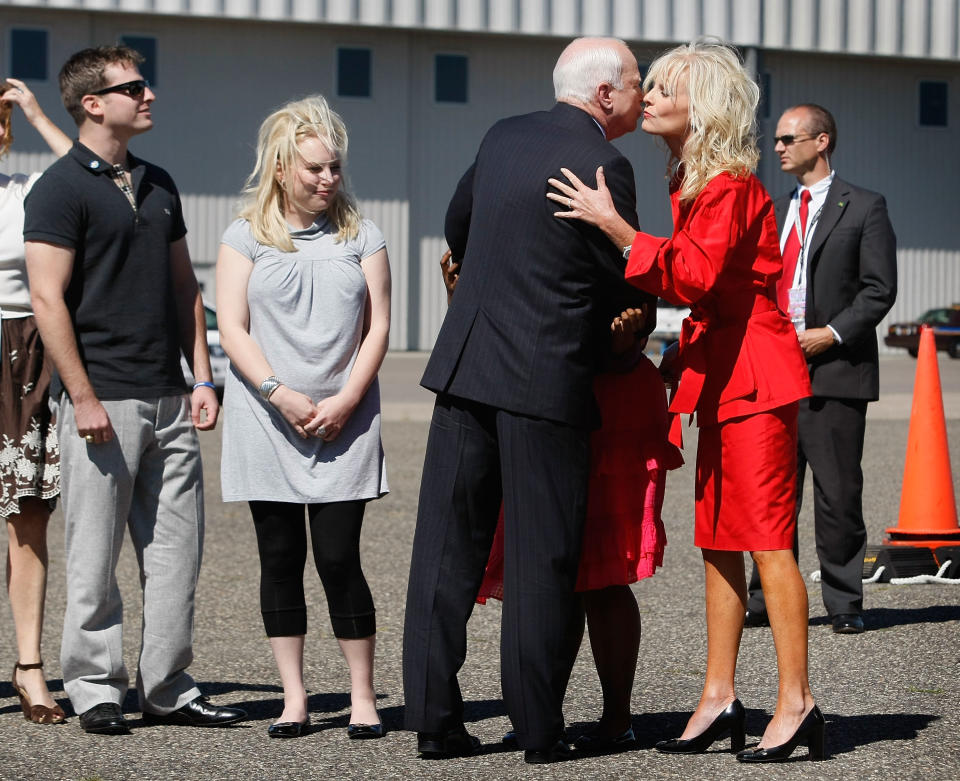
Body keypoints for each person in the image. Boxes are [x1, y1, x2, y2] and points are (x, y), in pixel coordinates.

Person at [548, 40, 823, 763]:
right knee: (718, 540)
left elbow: (695, 275)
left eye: (666, 88)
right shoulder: (696, 180)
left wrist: (613, 225)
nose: (652, 97)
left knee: (767, 541)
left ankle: (797, 701)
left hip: (756, 380)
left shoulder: (730, 184)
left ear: (700, 106)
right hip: (725, 375)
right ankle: (719, 694)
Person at [402, 37, 651, 765]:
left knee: (445, 554)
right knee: (544, 559)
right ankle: (540, 730)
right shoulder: (607, 164)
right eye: (636, 83)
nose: (640, 94)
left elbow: (459, 225)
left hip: (466, 366)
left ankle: (433, 721)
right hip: (545, 377)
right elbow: (622, 275)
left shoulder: (502, 134)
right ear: (605, 94)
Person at [23, 45, 246, 735]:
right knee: (93, 555)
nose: (148, 96)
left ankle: (168, 685)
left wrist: (202, 377)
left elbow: (187, 288)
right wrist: (82, 396)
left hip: (171, 398)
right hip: (103, 401)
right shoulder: (59, 189)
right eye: (134, 87)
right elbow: (46, 298)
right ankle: (94, 688)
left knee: (177, 553)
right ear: (93, 103)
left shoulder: (159, 183)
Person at [216, 95, 390, 740]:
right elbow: (231, 326)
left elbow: (379, 329)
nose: (327, 180)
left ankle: (363, 697)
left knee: (340, 558)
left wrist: (346, 399)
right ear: (282, 168)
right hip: (268, 418)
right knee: (280, 557)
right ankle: (294, 698)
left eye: (334, 168)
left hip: (345, 421)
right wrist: (277, 391)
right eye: (314, 168)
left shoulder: (362, 236)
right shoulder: (244, 236)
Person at [744, 104, 897, 635]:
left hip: (835, 368)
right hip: (774, 371)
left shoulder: (865, 207)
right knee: (772, 490)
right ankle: (765, 599)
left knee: (837, 493)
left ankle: (843, 601)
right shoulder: (776, 208)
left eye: (790, 138)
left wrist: (830, 335)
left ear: (822, 141)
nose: (779, 147)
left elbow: (879, 289)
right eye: (778, 139)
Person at [1, 78, 71, 725]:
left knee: (28, 517)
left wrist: (34, 110)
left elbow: (91, 169)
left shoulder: (25, 188)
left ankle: (29, 668)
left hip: (24, 356)